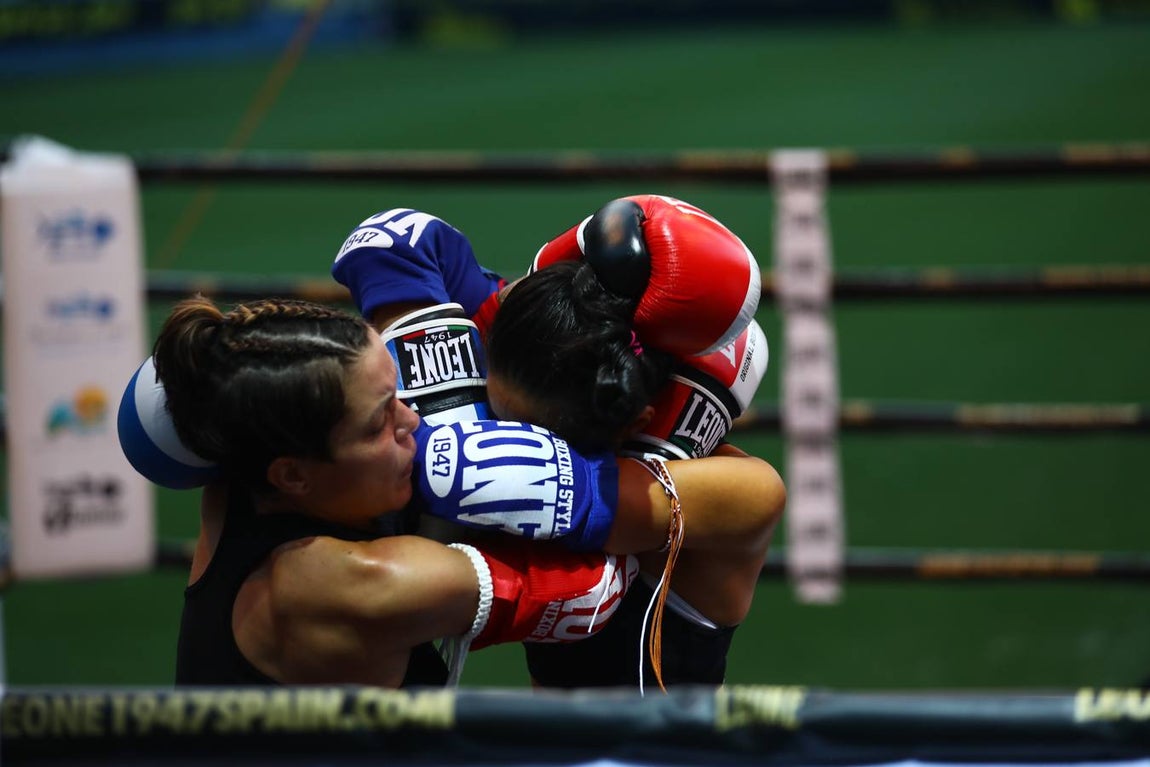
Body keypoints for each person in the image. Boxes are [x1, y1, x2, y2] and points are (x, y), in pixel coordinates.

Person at [330, 196, 784, 690]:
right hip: (549, 740)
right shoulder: (550, 359)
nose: (494, 428)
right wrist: (560, 267)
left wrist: (441, 412)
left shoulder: (743, 489)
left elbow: (458, 474)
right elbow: (398, 242)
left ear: (633, 422)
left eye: (511, 424)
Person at [152, 295, 640, 686]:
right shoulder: (365, 584)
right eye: (378, 422)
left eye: (397, 393)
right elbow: (592, 594)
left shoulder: (239, 459)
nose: (413, 421)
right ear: (293, 475)